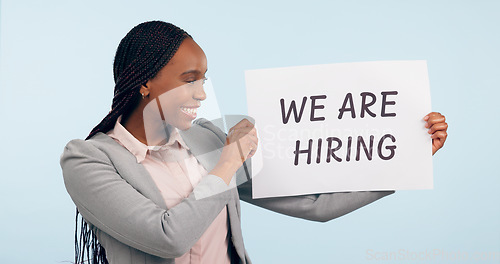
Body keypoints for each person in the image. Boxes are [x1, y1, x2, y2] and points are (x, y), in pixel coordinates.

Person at [60, 21, 448, 264]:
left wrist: (405, 157)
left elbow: (316, 205)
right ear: (145, 82)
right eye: (189, 78)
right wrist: (228, 162)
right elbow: (167, 237)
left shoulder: (207, 138)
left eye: (204, 79)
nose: (200, 93)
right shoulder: (89, 159)